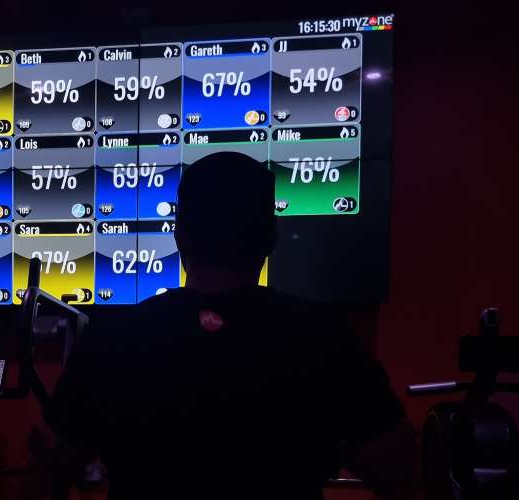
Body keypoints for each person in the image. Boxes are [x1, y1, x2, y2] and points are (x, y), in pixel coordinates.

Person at [46, 152, 419, 499]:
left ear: (179, 235)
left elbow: (50, 472)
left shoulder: (111, 340)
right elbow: (404, 476)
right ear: (271, 238)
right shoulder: (326, 340)